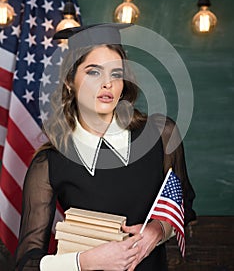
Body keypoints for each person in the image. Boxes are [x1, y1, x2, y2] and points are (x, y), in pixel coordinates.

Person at [15, 24, 196, 270]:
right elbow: (26, 262)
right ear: (70, 80)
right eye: (93, 72)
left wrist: (159, 229)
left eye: (116, 73)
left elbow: (182, 203)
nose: (107, 84)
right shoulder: (49, 163)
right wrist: (85, 261)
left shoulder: (161, 135)